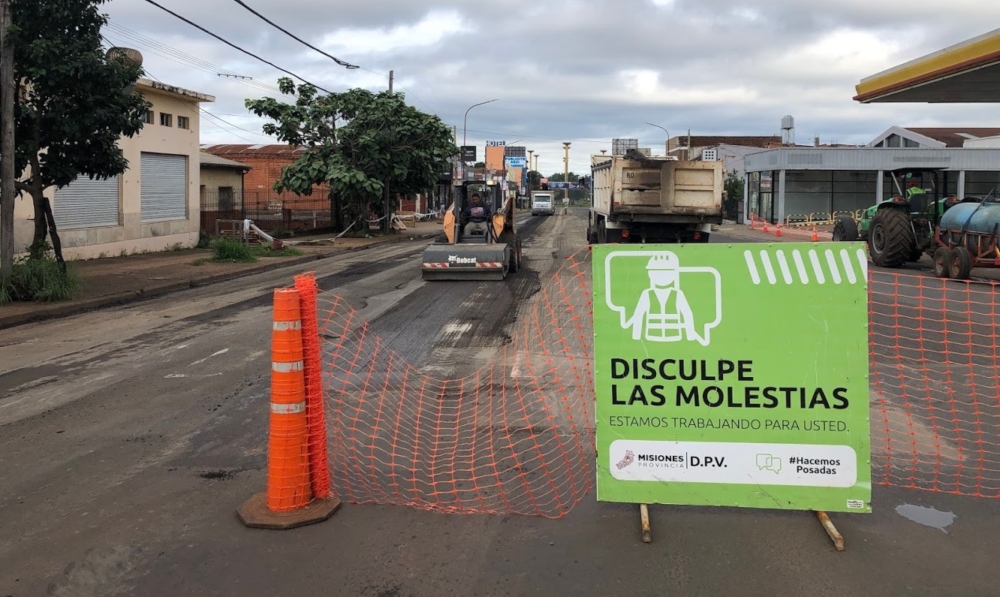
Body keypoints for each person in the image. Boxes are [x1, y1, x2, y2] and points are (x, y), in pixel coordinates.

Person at [623, 253, 702, 344]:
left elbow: (687, 314)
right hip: (652, 336)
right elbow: (638, 315)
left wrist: (690, 336)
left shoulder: (677, 294)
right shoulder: (647, 294)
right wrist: (636, 336)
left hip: (674, 336)